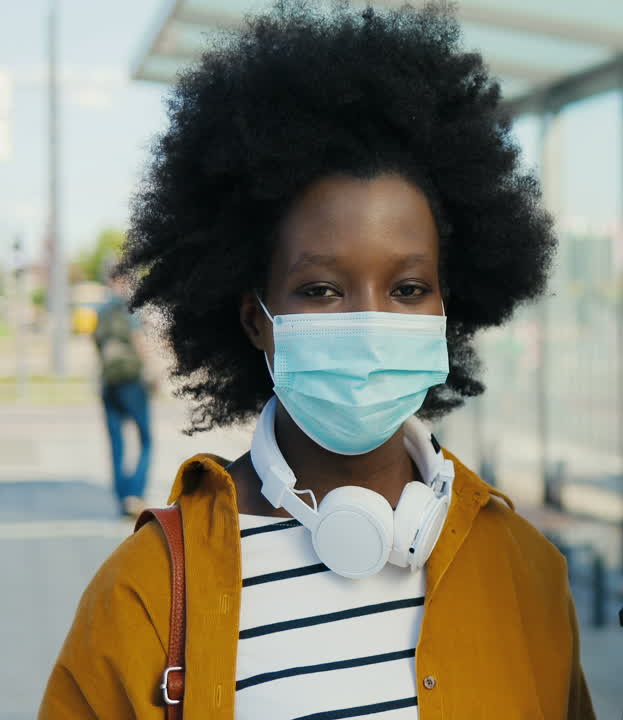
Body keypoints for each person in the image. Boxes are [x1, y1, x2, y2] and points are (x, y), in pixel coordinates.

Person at [40, 3, 593, 719]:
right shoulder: (147, 594)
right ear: (255, 319)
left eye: (408, 288)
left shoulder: (525, 570)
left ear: (448, 310)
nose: (368, 321)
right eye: (322, 289)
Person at [92, 258, 154, 518]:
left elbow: (96, 345)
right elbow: (138, 341)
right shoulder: (130, 309)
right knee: (145, 438)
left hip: (109, 381)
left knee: (116, 441)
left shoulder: (101, 311)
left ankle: (121, 497)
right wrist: (150, 370)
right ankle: (134, 494)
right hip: (131, 379)